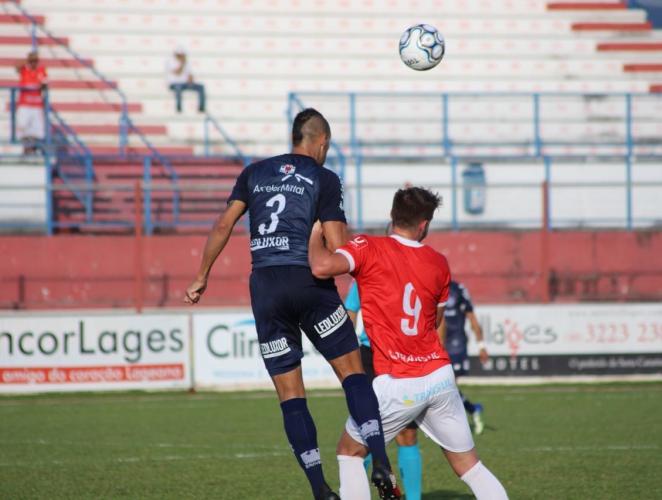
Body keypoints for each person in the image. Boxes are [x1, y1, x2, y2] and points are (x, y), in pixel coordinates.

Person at [184, 108, 398, 500]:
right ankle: (381, 460)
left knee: (291, 396)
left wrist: (201, 276)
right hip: (309, 283)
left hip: (265, 288)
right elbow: (337, 245)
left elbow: (222, 226)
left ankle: (319, 488)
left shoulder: (254, 173)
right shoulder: (324, 178)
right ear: (322, 143)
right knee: (353, 374)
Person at [309, 187, 508, 500]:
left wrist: (314, 233)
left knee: (350, 452)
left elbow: (321, 267)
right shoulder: (439, 263)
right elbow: (435, 318)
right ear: (424, 225)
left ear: (391, 217)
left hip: (397, 379)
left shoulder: (367, 247)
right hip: (440, 376)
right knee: (470, 466)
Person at [345, 281, 423, 500]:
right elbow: (351, 310)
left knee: (407, 434)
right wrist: (347, 355)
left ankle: (414, 498)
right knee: (366, 433)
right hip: (370, 358)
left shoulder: (411, 268)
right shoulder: (365, 273)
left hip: (404, 358)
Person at [440, 281, 489, 434]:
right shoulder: (430, 285)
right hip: (438, 343)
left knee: (448, 384)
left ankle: (452, 423)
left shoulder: (458, 290)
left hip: (457, 344)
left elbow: (472, 317)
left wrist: (481, 346)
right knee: (445, 386)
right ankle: (472, 409)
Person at [15, 51, 48, 155]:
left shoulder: (41, 71)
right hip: (24, 104)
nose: (33, 63)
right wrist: (27, 60)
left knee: (36, 130)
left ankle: (33, 149)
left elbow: (44, 84)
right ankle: (26, 148)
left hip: (36, 105)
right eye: (32, 61)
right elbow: (17, 67)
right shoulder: (24, 70)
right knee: (23, 127)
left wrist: (42, 85)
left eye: (35, 61)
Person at [166, 46, 206, 113]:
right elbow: (177, 72)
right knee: (178, 88)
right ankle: (179, 108)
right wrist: (182, 64)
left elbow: (190, 74)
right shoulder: (171, 62)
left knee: (201, 87)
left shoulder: (186, 63)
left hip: (184, 84)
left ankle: (201, 107)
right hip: (174, 84)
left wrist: (190, 80)